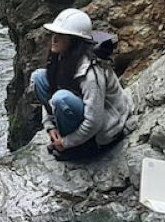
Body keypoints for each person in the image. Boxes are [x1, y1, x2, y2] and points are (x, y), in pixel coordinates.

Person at [29, 8, 132, 160]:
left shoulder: (90, 73)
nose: (54, 39)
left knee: (61, 98)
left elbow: (94, 121)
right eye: (54, 34)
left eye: (61, 36)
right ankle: (64, 135)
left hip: (103, 129)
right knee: (38, 77)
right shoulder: (60, 58)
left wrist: (66, 142)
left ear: (74, 41)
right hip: (79, 109)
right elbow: (50, 89)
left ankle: (83, 147)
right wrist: (50, 127)